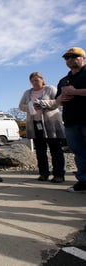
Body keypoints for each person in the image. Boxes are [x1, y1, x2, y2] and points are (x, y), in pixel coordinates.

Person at [19, 72, 66, 183]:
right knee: (40, 151)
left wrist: (43, 103)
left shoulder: (50, 89)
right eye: (32, 80)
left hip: (51, 124)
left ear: (42, 80)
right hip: (35, 124)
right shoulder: (27, 93)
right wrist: (30, 106)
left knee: (55, 149)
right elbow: (21, 106)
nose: (35, 82)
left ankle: (59, 174)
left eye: (37, 80)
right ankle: (43, 173)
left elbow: (58, 102)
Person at [56, 47, 86, 192]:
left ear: (83, 58)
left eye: (74, 56)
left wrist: (76, 92)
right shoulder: (64, 80)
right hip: (71, 122)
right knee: (78, 152)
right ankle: (83, 181)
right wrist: (61, 98)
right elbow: (57, 100)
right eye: (67, 57)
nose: (70, 59)